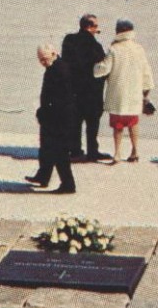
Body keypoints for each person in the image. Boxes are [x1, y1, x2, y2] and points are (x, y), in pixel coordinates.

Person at [92, 18, 154, 163]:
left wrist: (95, 68)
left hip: (118, 93)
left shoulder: (114, 49)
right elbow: (146, 71)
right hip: (134, 93)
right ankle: (135, 150)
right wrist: (146, 90)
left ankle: (117, 153)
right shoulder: (139, 49)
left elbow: (104, 69)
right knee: (133, 122)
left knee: (118, 125)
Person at [26, 44, 77, 194]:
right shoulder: (53, 67)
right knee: (46, 148)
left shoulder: (60, 70)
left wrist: (45, 113)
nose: (43, 62)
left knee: (60, 152)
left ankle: (68, 184)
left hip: (59, 119)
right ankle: (43, 176)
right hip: (51, 117)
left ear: (54, 53)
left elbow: (61, 99)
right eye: (40, 60)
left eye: (45, 59)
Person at [61, 14, 110, 162]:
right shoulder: (95, 46)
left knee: (75, 122)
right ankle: (92, 151)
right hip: (92, 92)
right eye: (95, 27)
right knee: (92, 123)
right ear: (89, 27)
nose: (97, 30)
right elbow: (101, 67)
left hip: (73, 89)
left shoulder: (68, 40)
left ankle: (75, 150)